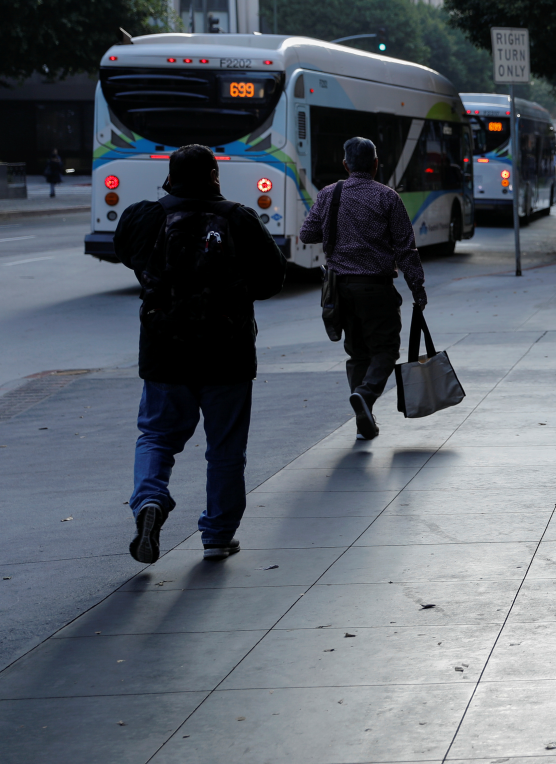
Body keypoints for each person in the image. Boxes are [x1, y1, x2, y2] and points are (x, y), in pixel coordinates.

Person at [112, 144, 286, 562]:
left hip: (164, 355)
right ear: (214, 177)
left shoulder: (145, 216)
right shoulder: (238, 218)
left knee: (156, 435)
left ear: (170, 177)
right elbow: (272, 278)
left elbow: (126, 254)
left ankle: (149, 501)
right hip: (227, 355)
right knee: (225, 448)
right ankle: (218, 535)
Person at [299, 137, 427, 442]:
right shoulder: (388, 197)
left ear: (345, 165)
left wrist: (336, 231)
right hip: (376, 289)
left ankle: (362, 421)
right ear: (375, 164)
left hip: (340, 290)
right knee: (384, 350)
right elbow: (406, 249)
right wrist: (417, 289)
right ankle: (365, 396)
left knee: (357, 354)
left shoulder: (330, 194)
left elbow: (307, 233)